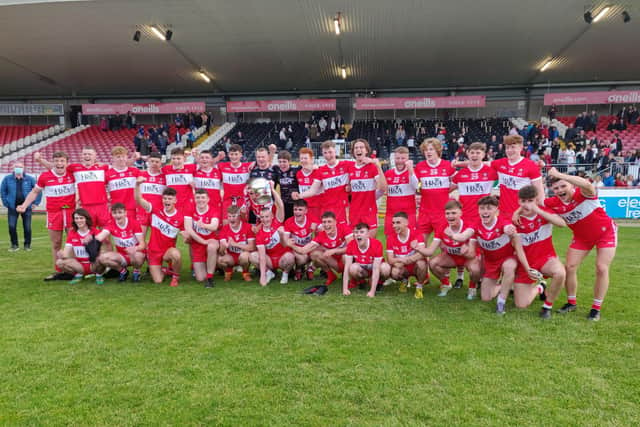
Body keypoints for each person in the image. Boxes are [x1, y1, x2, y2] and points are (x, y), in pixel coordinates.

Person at [542, 167, 617, 321]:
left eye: (563, 186)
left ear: (572, 186)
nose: (560, 190)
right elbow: (535, 202)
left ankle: (596, 309)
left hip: (605, 232)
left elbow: (588, 184)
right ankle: (571, 302)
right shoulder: (553, 202)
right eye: (556, 188)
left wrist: (560, 175)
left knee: (601, 268)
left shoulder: (582, 193)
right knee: (569, 267)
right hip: (582, 237)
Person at [512, 185, 567, 319]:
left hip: (546, 258)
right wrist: (527, 268)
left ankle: (547, 307)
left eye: (530, 201)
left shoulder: (544, 212)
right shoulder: (515, 220)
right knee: (521, 304)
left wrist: (538, 210)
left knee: (560, 273)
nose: (527, 205)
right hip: (527, 262)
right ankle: (540, 287)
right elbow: (518, 248)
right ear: (519, 201)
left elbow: (562, 224)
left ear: (536, 200)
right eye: (523, 201)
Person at [18, 152, 74, 278]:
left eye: (62, 161)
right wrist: (24, 205)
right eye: (57, 161)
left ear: (66, 163)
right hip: (54, 213)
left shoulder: (72, 173)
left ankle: (73, 269)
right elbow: (34, 192)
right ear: (53, 162)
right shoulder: (45, 176)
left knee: (73, 242)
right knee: (56, 243)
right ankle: (59, 270)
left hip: (71, 212)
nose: (59, 163)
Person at [474, 196, 532, 313]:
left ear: (497, 211)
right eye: (482, 208)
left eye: (489, 208)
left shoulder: (504, 222)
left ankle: (501, 303)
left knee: (509, 267)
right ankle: (504, 285)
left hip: (507, 258)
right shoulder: (476, 224)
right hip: (491, 263)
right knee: (486, 298)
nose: (485, 211)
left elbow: (507, 227)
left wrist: (510, 229)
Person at [420, 200, 482, 297]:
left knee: (476, 269)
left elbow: (472, 254)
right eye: (447, 213)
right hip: (452, 257)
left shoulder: (469, 225)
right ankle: (446, 284)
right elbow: (430, 251)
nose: (450, 216)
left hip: (468, 258)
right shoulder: (441, 227)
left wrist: (465, 251)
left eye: (454, 213)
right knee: (433, 263)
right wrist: (417, 247)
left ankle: (472, 287)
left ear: (461, 213)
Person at [37, 146, 111, 228]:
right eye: (85, 154)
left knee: (105, 236)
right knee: (89, 235)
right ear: (81, 156)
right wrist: (41, 160)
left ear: (95, 156)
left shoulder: (103, 167)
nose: (87, 156)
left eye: (89, 154)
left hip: (102, 206)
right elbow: (57, 167)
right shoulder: (75, 168)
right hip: (85, 206)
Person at [135, 179, 189, 287]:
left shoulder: (180, 217)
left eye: (170, 198)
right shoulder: (155, 209)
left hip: (167, 251)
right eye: (164, 198)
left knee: (176, 254)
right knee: (158, 281)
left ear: (175, 201)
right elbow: (139, 200)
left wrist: (186, 237)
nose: (166, 201)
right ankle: (165, 270)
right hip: (153, 251)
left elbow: (186, 235)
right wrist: (137, 185)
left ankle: (175, 277)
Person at [291, 211, 353, 295]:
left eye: (329, 221)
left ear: (335, 222)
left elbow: (352, 248)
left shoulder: (344, 228)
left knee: (346, 256)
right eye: (324, 222)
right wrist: (291, 245)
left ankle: (353, 280)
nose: (326, 225)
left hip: (347, 261)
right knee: (314, 254)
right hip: (334, 262)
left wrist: (334, 250)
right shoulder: (321, 235)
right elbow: (303, 250)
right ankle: (331, 276)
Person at [294, 140, 351, 225]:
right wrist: (299, 195)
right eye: (325, 153)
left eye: (330, 152)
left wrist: (350, 184)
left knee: (344, 235)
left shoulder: (346, 165)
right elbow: (313, 190)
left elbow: (358, 171)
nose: (328, 155)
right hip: (327, 208)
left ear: (335, 152)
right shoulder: (320, 171)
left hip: (342, 208)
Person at [490, 135, 544, 219]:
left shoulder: (531, 165)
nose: (509, 150)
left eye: (513, 147)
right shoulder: (499, 163)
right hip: (504, 215)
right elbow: (478, 164)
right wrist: (461, 163)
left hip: (523, 215)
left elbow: (539, 195)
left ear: (520, 148)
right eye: (507, 147)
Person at [414, 138, 456, 242]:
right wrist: (419, 192)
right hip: (425, 212)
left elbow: (458, 181)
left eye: (431, 149)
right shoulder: (419, 167)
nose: (428, 152)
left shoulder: (447, 165)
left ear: (437, 150)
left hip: (442, 212)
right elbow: (415, 186)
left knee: (445, 244)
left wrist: (446, 191)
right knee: (421, 244)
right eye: (426, 150)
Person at [94, 203, 146, 283]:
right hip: (122, 256)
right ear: (112, 214)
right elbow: (100, 236)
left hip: (135, 253)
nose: (117, 215)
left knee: (138, 257)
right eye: (114, 213)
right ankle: (123, 271)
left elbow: (142, 244)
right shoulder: (110, 224)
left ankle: (136, 271)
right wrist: (91, 239)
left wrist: (135, 248)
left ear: (125, 213)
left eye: (120, 212)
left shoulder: (134, 223)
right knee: (102, 258)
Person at [382, 212, 429, 299]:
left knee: (422, 264)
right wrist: (403, 262)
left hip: (415, 266)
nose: (394, 225)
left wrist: (407, 260)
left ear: (406, 223)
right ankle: (404, 280)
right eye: (393, 223)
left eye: (398, 222)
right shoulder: (391, 238)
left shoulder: (417, 233)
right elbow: (390, 259)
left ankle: (419, 287)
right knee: (394, 272)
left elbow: (422, 254)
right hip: (403, 267)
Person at [250, 199, 294, 286]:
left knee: (290, 257)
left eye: (267, 217)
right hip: (270, 259)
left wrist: (272, 189)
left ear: (272, 216)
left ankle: (285, 274)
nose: (264, 219)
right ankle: (269, 273)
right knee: (253, 256)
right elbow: (262, 257)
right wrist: (262, 276)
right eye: (262, 217)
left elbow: (280, 205)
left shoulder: (277, 223)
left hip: (282, 257)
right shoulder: (259, 234)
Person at [348, 139, 387, 237]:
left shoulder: (372, 167)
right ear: (353, 152)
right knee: (355, 243)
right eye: (356, 148)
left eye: (361, 147)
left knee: (370, 241)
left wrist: (378, 166)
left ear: (366, 151)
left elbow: (383, 187)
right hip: (354, 211)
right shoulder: (350, 168)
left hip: (369, 211)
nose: (358, 150)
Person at [451, 142, 497, 225]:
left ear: (483, 155)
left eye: (478, 153)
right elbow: (446, 190)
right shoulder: (460, 174)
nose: (474, 155)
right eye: (472, 152)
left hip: (484, 217)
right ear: (468, 154)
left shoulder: (491, 172)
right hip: (465, 217)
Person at [2, 161, 40, 252]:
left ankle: (27, 245)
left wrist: (35, 203)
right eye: (16, 167)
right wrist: (6, 203)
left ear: (24, 168)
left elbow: (38, 190)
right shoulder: (7, 179)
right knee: (11, 226)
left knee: (27, 227)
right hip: (12, 207)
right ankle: (14, 245)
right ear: (13, 168)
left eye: (20, 167)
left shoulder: (30, 179)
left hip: (26, 207)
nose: (18, 168)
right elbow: (3, 191)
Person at [186, 189, 220, 288]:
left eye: (203, 197)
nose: (200, 200)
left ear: (208, 199)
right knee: (200, 278)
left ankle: (210, 278)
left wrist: (204, 225)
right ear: (194, 199)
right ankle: (210, 266)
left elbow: (214, 226)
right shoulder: (189, 209)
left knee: (212, 247)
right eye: (198, 197)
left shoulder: (213, 209)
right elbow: (188, 229)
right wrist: (203, 241)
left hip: (211, 240)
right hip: (198, 243)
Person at [56, 208, 100, 285]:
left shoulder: (95, 231)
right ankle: (79, 274)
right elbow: (66, 252)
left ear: (86, 219)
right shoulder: (72, 233)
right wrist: (62, 255)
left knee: (102, 258)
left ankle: (99, 275)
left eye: (81, 218)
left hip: (94, 264)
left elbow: (104, 249)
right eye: (76, 218)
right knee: (59, 262)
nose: (79, 220)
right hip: (80, 265)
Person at [342, 223, 384, 298]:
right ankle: (361, 281)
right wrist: (345, 289)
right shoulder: (351, 244)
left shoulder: (377, 244)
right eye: (356, 232)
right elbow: (347, 267)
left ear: (368, 234)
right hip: (363, 269)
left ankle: (379, 283)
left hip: (374, 268)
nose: (358, 234)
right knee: (352, 268)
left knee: (385, 268)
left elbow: (376, 268)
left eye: (361, 232)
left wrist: (372, 292)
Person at [384, 147, 418, 235]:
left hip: (408, 214)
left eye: (403, 158)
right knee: (390, 241)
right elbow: (381, 190)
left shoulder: (413, 173)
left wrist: (411, 170)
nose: (400, 161)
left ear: (408, 159)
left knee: (410, 241)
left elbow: (416, 186)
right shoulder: (388, 173)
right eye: (397, 158)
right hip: (391, 214)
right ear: (394, 158)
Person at [217, 205, 255, 281]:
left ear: (239, 216)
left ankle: (245, 273)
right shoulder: (225, 229)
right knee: (220, 260)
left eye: (234, 216)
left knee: (245, 256)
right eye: (229, 216)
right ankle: (228, 272)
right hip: (231, 257)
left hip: (243, 255)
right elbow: (221, 252)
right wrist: (224, 247)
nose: (231, 219)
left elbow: (252, 247)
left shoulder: (247, 227)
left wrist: (235, 244)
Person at [283, 199, 318, 280]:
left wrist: (316, 230)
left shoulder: (312, 219)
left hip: (310, 249)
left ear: (306, 211)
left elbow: (321, 236)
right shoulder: (289, 221)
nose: (297, 212)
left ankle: (310, 268)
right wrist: (288, 242)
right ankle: (298, 269)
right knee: (302, 258)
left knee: (319, 254)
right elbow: (286, 241)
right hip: (297, 250)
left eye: (300, 210)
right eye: (295, 209)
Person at [218, 144, 253, 220]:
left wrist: (272, 152)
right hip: (228, 200)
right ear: (228, 155)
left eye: (236, 154)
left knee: (243, 223)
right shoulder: (222, 166)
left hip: (243, 201)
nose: (234, 157)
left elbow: (264, 163)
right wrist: (218, 158)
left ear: (241, 155)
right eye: (232, 154)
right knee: (226, 224)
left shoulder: (247, 166)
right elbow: (207, 165)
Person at [106, 146, 139, 222]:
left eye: (123, 156)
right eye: (118, 157)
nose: (121, 159)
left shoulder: (135, 171)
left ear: (127, 157)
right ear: (113, 158)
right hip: (116, 209)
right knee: (116, 232)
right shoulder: (108, 174)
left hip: (131, 208)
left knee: (132, 231)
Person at [136, 152, 166, 235]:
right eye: (152, 161)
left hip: (158, 211)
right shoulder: (140, 174)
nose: (154, 164)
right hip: (142, 210)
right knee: (140, 238)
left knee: (158, 240)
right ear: (148, 161)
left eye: (157, 162)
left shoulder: (164, 177)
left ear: (161, 163)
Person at [162, 147, 197, 214]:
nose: (176, 161)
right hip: (172, 204)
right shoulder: (166, 169)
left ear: (183, 158)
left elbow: (205, 165)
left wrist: (195, 155)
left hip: (188, 204)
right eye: (173, 158)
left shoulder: (191, 167)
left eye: (178, 158)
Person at [193, 150, 226, 220]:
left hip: (216, 206)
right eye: (202, 158)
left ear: (211, 160)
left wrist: (219, 157)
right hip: (200, 207)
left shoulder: (218, 171)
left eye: (207, 157)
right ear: (199, 160)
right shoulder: (194, 171)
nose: (204, 159)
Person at [295, 147, 325, 221]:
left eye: (305, 158)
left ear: (311, 159)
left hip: (319, 208)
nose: (303, 160)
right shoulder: (298, 174)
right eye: (301, 158)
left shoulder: (318, 171)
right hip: (305, 208)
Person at [275, 150, 299, 220]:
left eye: (284, 161)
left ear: (289, 161)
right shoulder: (276, 170)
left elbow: (308, 167)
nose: (282, 164)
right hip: (284, 203)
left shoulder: (296, 169)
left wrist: (315, 166)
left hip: (296, 203)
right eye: (280, 162)